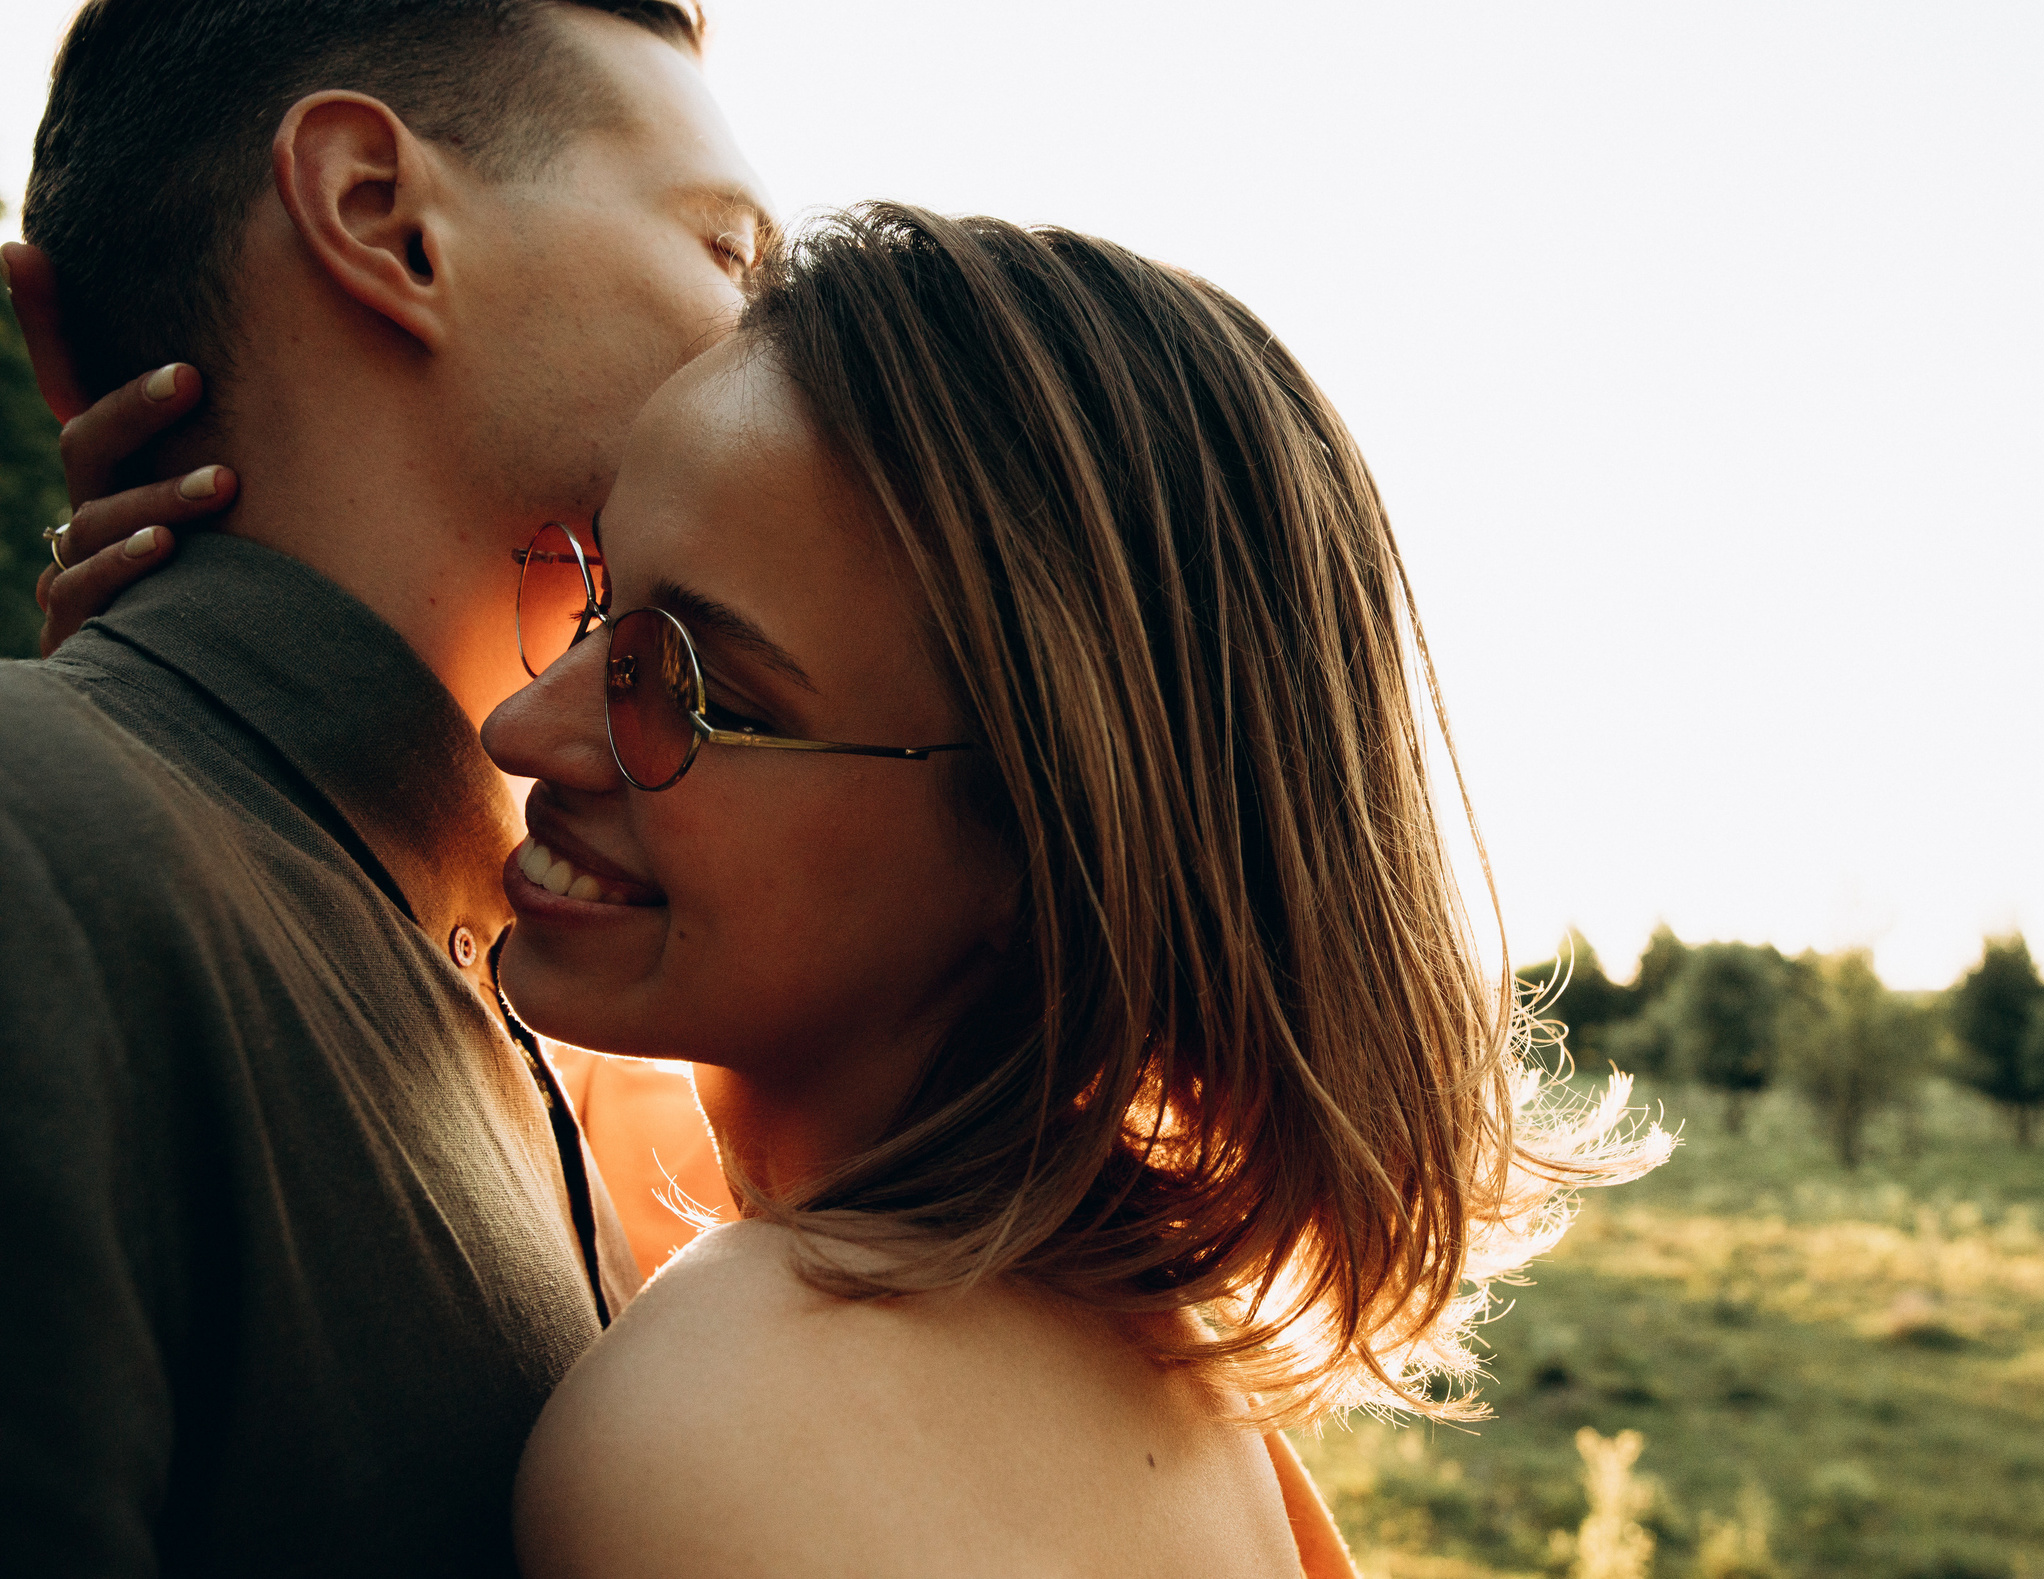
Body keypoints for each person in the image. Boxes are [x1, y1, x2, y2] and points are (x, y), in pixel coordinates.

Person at [63, 200, 1670, 1576]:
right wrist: (171, 717)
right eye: (599, 602)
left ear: (1047, 848)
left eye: (692, 687)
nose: (523, 726)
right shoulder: (1149, 1361)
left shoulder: (736, 1427)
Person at [0, 0, 761, 1574]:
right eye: (727, 251)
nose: (775, 345)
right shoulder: (46, 859)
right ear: (381, 217)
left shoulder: (560, 1007)